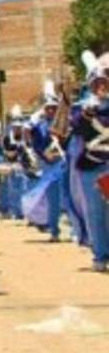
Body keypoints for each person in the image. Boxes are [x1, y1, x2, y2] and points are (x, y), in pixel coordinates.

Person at [68, 51, 109, 271]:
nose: (101, 86)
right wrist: (87, 113)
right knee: (94, 212)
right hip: (91, 167)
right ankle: (100, 255)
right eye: (97, 83)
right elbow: (75, 129)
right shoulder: (82, 108)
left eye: (104, 82)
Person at [23, 81, 66, 241]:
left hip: (64, 164)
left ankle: (78, 231)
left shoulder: (63, 123)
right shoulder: (38, 126)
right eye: (48, 107)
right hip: (48, 167)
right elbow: (26, 133)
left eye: (54, 107)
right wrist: (34, 118)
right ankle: (54, 231)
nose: (51, 110)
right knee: (53, 201)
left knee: (69, 199)